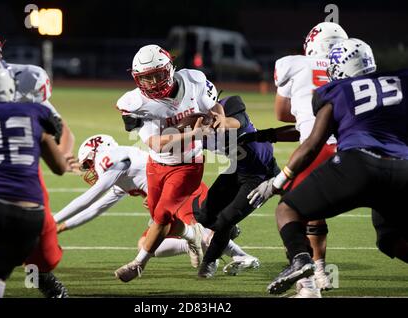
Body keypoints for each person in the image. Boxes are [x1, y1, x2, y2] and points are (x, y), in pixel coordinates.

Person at [248, 38, 408, 295]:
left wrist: (277, 182)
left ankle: (301, 260)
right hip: (402, 169)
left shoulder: (337, 90)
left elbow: (312, 145)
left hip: (358, 163)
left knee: (288, 209)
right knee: (390, 239)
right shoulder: (400, 81)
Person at [0, 23, 76, 297]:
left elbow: (60, 129)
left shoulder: (20, 80)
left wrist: (61, 152)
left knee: (45, 255)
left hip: (14, 170)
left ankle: (38, 275)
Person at [244, 22, 348, 297]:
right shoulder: (351, 69)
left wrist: (306, 110)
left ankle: (308, 284)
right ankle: (321, 271)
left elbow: (283, 114)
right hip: (354, 150)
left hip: (317, 149)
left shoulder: (294, 64)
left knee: (290, 211)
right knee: (317, 211)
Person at [54, 134, 259, 273]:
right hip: (168, 204)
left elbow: (90, 197)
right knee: (147, 245)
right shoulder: (121, 173)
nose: (90, 169)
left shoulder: (111, 158)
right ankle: (195, 242)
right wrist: (63, 227)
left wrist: (51, 220)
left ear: (98, 152)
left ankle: (242, 256)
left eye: (89, 163)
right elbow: (97, 207)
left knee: (202, 234)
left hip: (184, 190)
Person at [114, 44, 228, 282]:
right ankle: (193, 235)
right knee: (163, 218)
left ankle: (138, 263)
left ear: (170, 69)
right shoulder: (135, 103)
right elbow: (156, 143)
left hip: (189, 163)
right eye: (146, 78)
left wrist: (219, 116)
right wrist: (194, 134)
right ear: (137, 79)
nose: (153, 83)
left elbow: (214, 106)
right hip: (156, 164)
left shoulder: (194, 80)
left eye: (158, 75)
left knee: (162, 216)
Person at [192, 95, 279, 278]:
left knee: (224, 220)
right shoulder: (196, 127)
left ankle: (209, 261)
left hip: (261, 176)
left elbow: (237, 121)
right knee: (204, 215)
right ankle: (230, 231)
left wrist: (221, 122)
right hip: (237, 170)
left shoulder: (230, 104)